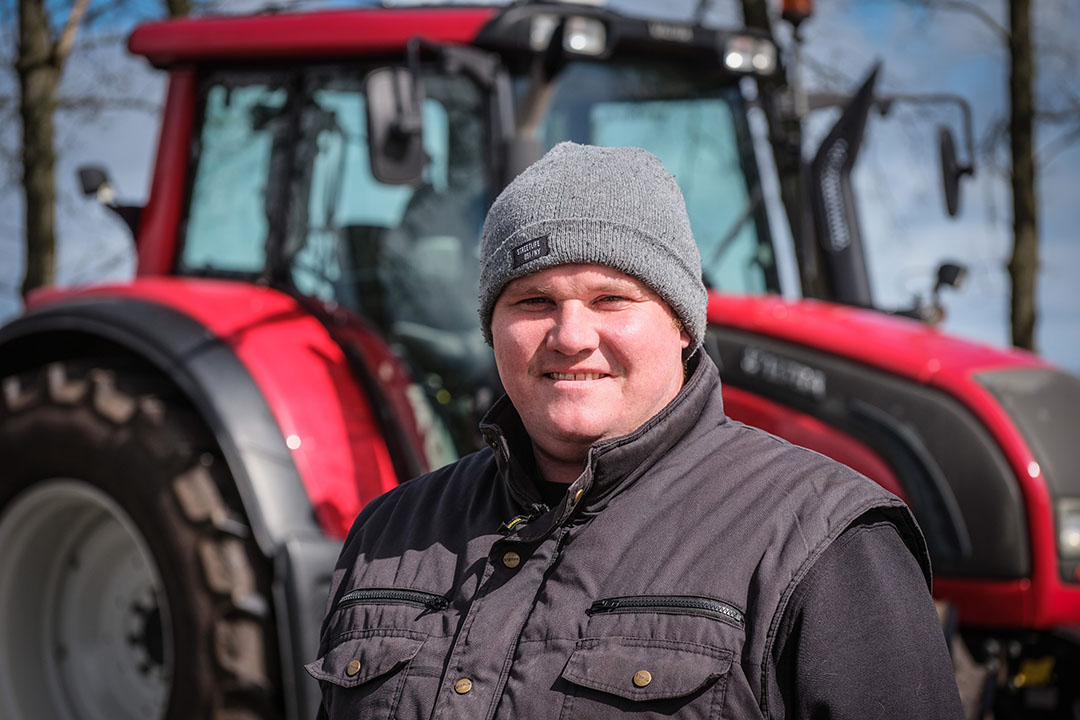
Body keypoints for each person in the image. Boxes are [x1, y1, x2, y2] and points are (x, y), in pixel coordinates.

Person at [308, 142, 963, 719]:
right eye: (532, 301)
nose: (569, 337)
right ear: (493, 327)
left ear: (681, 323)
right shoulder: (388, 536)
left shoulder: (822, 544)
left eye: (610, 299)